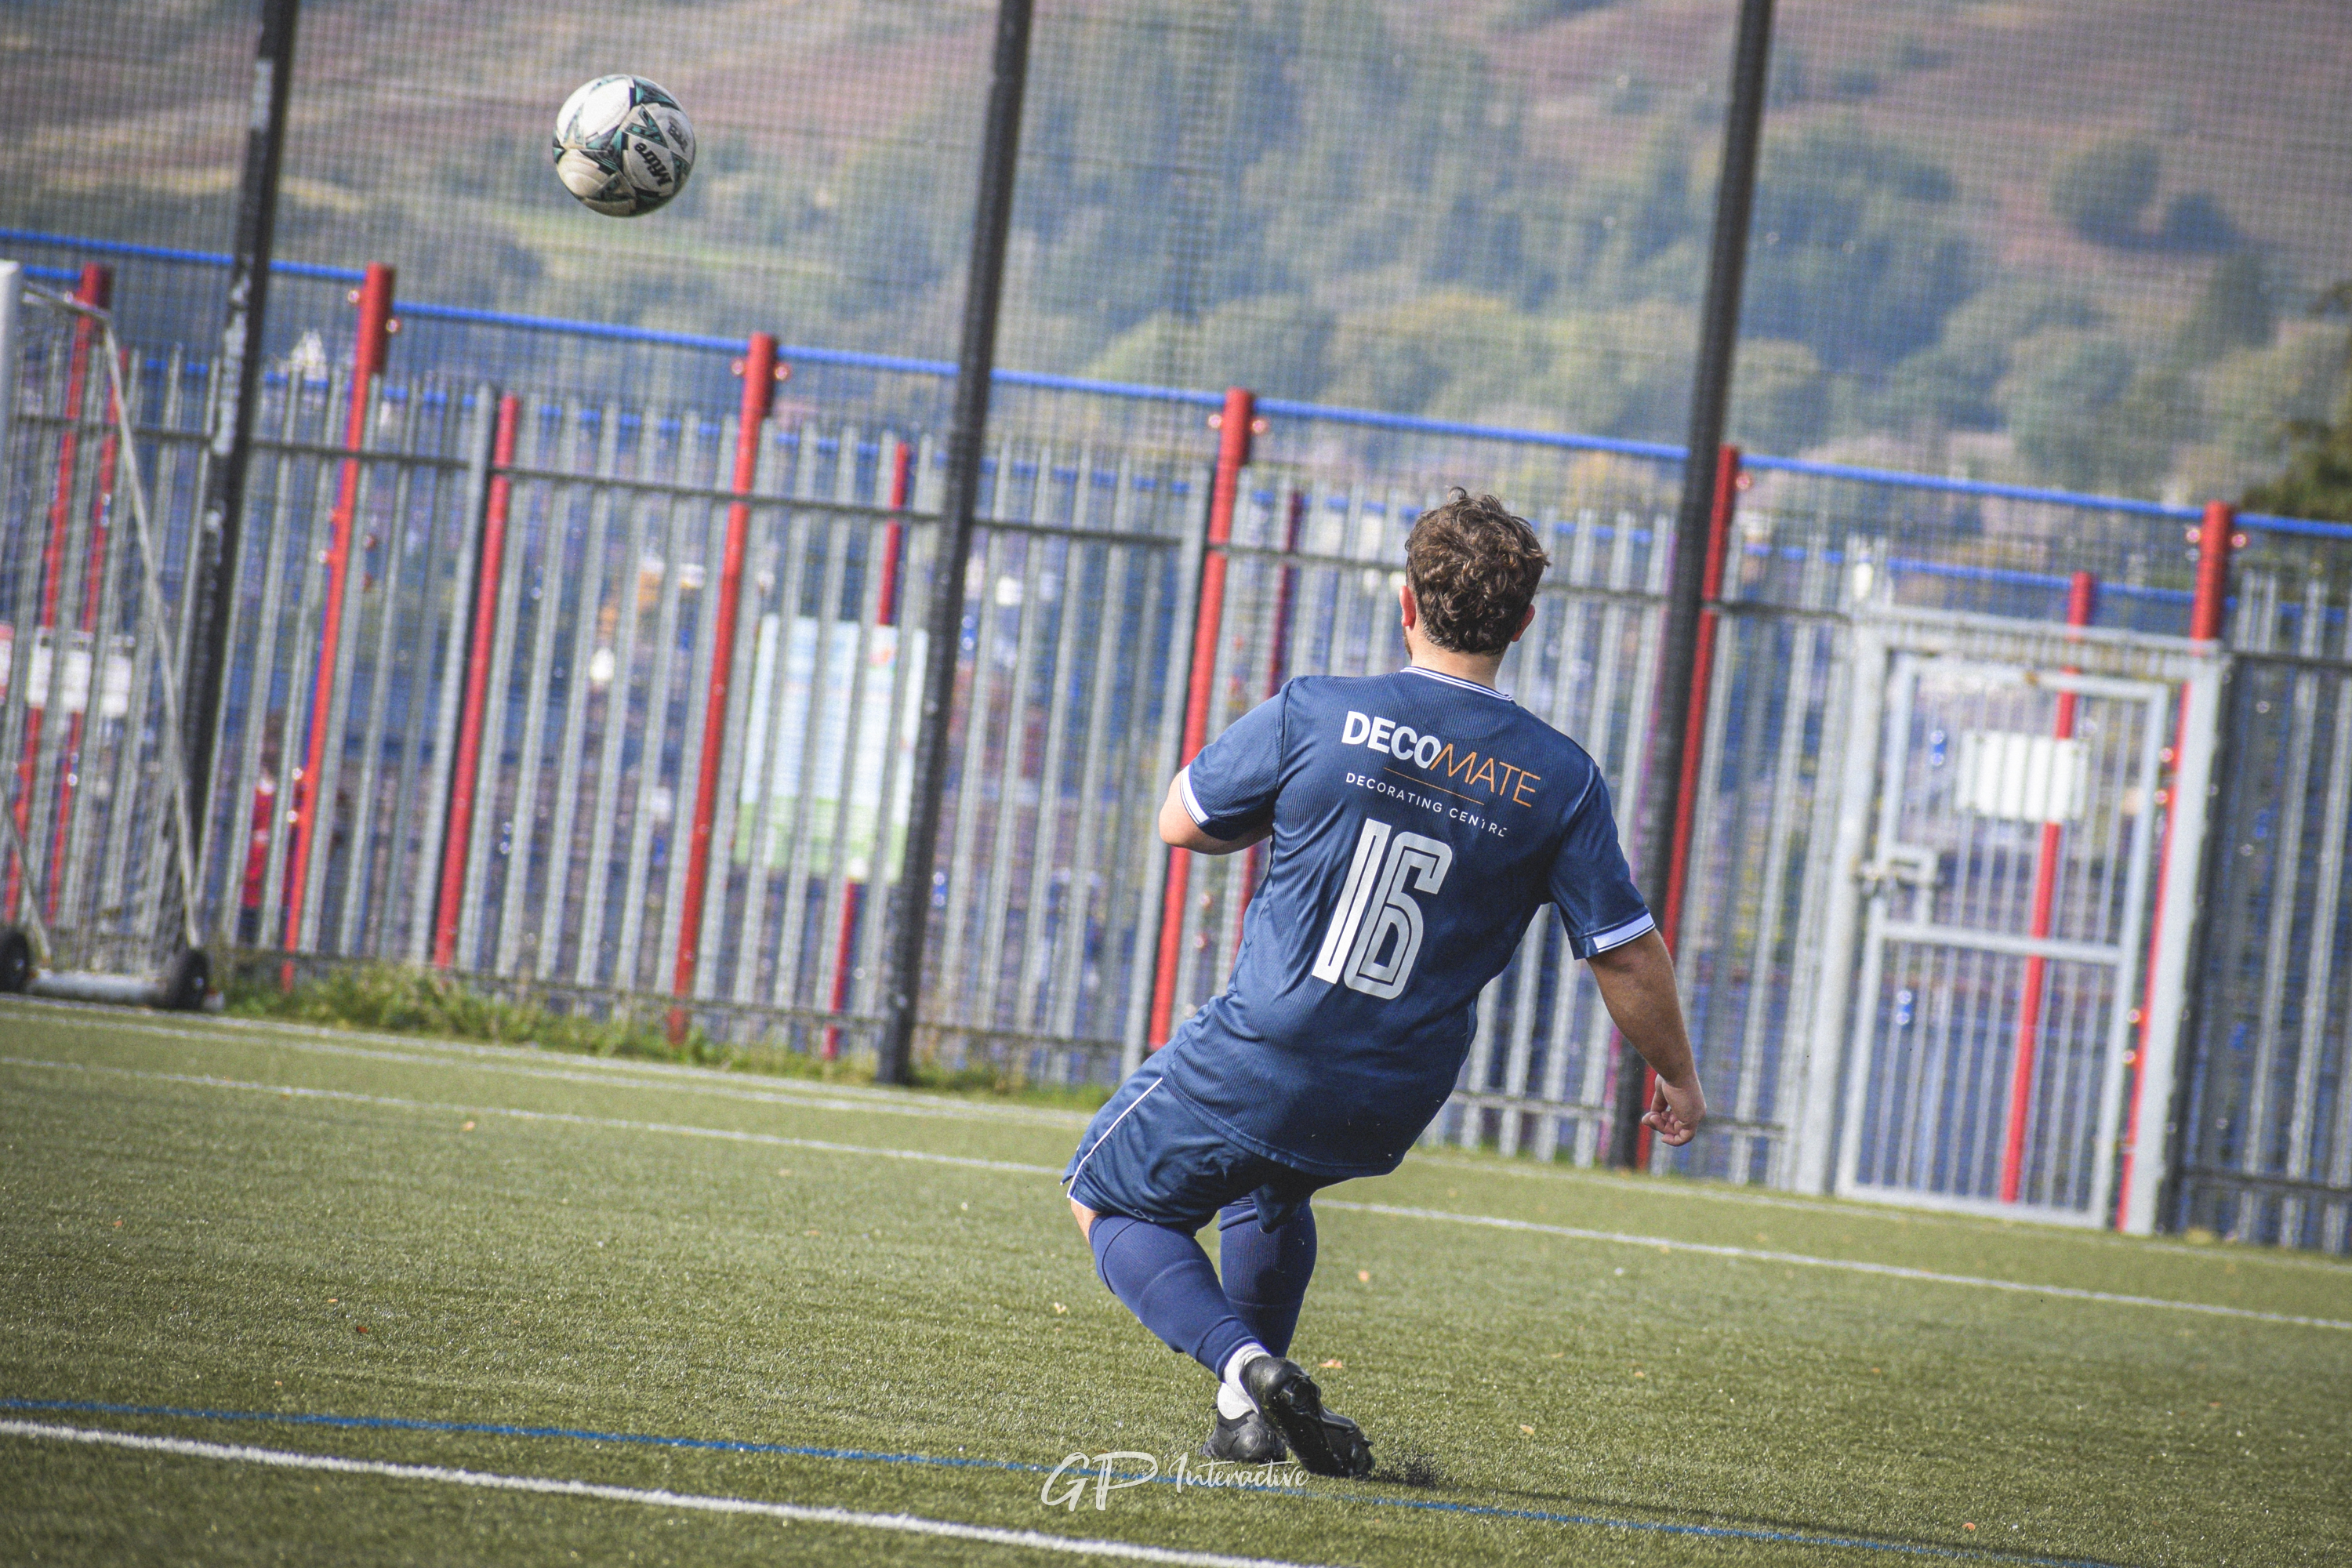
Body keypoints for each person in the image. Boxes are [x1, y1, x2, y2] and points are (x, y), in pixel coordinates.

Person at [1063, 490, 1705, 1478]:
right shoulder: (1562, 777)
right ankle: (1246, 1410)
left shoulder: (1319, 707)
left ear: (1405, 601)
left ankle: (1242, 1359)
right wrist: (1678, 1075)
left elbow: (1183, 821)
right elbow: (1621, 950)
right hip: (1392, 1092)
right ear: (1524, 622)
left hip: (1266, 1049)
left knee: (1106, 1197)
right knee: (1272, 1188)